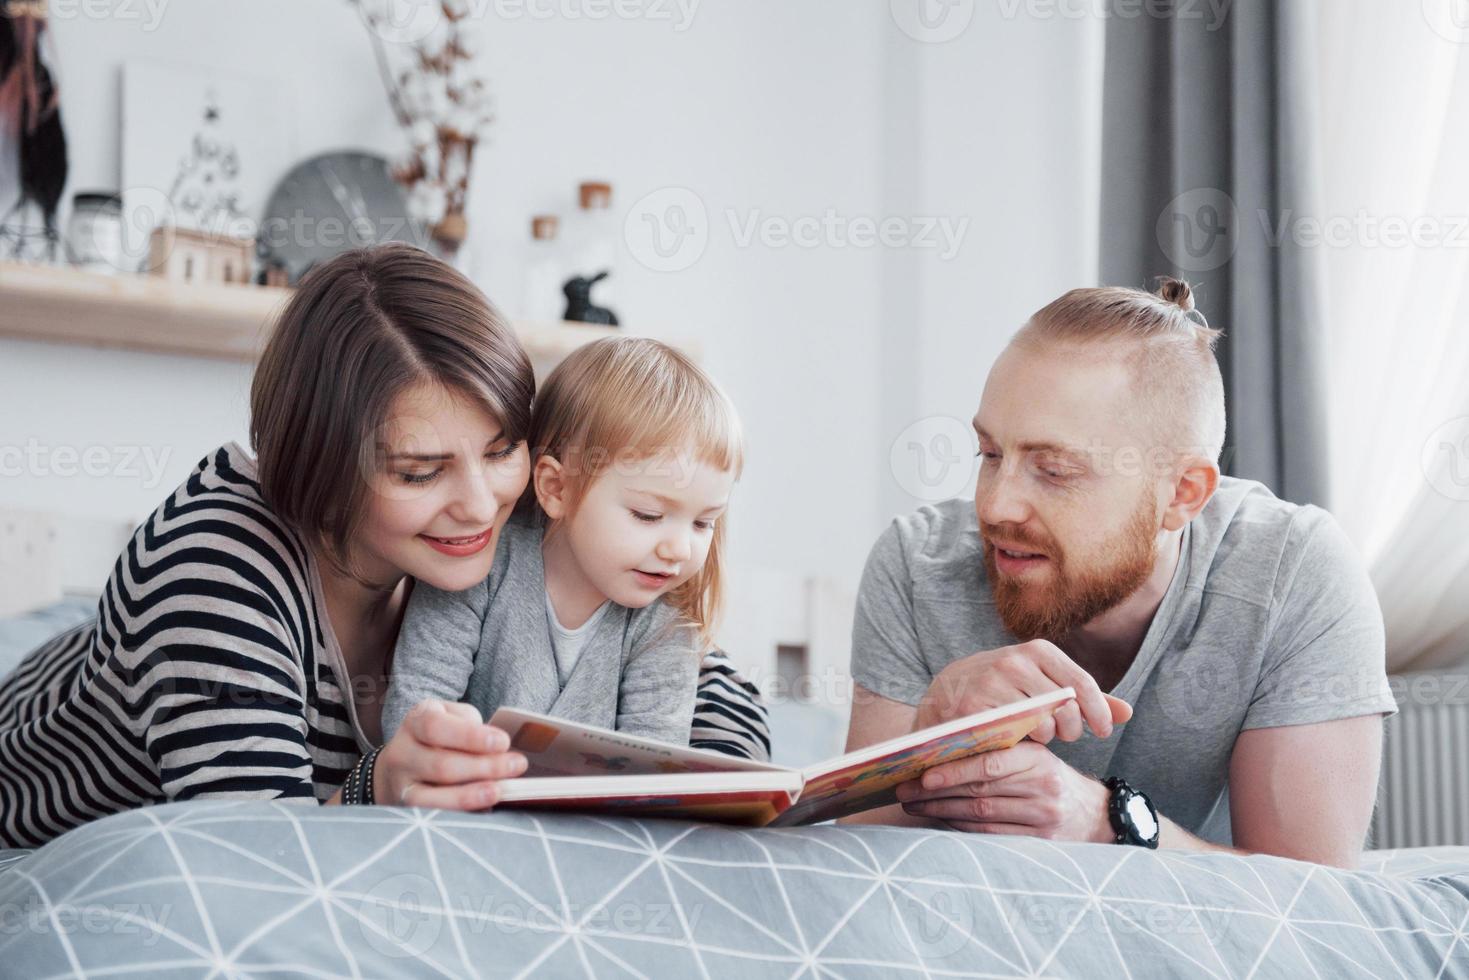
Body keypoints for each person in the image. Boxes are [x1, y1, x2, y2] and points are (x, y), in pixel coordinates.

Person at [0, 244, 768, 849]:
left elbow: (694, 660)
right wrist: (382, 785)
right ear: (320, 463)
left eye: (500, 451)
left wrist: (711, 787)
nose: (479, 503)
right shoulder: (217, 567)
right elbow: (253, 856)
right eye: (418, 471)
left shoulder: (517, 523)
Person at [843, 279, 1395, 868]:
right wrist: (929, 736)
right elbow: (851, 859)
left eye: (1054, 470)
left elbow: (1313, 897)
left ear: (1183, 493)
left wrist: (1102, 820)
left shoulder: (1292, 573)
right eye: (991, 455)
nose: (996, 507)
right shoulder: (916, 564)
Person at [383, 337, 743, 750]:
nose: (679, 550)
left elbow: (653, 766)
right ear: (556, 488)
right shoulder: (478, 567)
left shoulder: (663, 625)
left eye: (703, 523)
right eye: (647, 515)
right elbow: (413, 720)